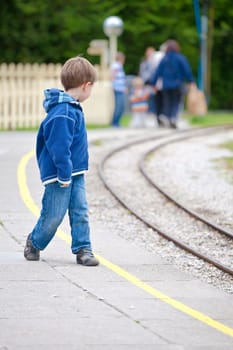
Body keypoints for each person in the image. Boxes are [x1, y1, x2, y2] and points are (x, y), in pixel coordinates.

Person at [24, 56, 99, 266]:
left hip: (74, 173)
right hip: (61, 174)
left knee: (80, 210)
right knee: (53, 215)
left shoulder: (71, 108)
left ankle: (83, 248)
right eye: (91, 89)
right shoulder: (63, 113)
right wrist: (64, 174)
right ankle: (34, 241)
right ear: (86, 86)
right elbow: (59, 148)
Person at [151, 39, 195, 128]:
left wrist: (153, 84)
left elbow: (157, 72)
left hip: (166, 85)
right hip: (177, 84)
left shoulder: (164, 58)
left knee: (167, 102)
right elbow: (186, 70)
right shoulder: (180, 58)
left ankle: (165, 116)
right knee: (176, 102)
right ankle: (173, 118)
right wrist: (191, 81)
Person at [139, 46, 165, 122]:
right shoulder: (144, 63)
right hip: (147, 83)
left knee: (155, 100)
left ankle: (155, 114)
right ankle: (148, 114)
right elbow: (142, 73)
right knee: (146, 99)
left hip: (154, 84)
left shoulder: (157, 62)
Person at [110, 51, 126, 127]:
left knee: (121, 106)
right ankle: (115, 122)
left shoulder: (118, 65)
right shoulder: (116, 65)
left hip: (120, 88)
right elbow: (113, 76)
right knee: (119, 106)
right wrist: (114, 85)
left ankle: (117, 122)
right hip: (118, 88)